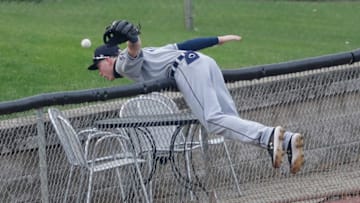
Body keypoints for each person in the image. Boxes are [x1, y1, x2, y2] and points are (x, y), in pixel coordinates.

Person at [87, 20, 304, 174]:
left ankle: (270, 135)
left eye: (98, 65)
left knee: (212, 120)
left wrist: (133, 39)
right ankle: (287, 141)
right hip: (204, 62)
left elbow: (133, 50)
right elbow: (183, 46)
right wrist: (218, 39)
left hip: (186, 70)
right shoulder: (152, 51)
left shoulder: (123, 64)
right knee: (231, 121)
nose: (99, 72)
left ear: (108, 59)